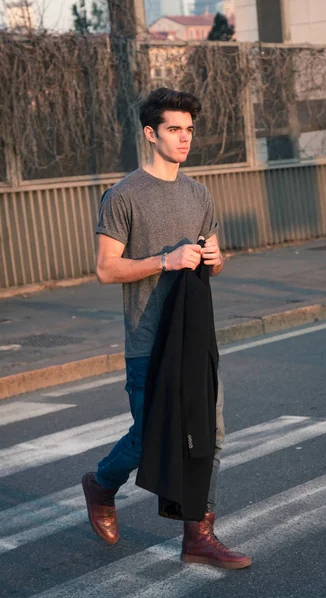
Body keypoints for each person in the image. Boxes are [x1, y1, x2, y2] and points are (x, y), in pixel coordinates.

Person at [82, 87, 251, 570]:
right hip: (148, 342)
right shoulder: (123, 196)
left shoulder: (199, 193)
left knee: (210, 435)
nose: (184, 139)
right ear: (151, 134)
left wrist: (217, 260)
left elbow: (214, 259)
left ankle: (199, 534)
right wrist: (165, 260)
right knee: (150, 435)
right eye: (174, 130)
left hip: (195, 339)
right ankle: (100, 483)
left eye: (189, 130)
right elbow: (106, 269)